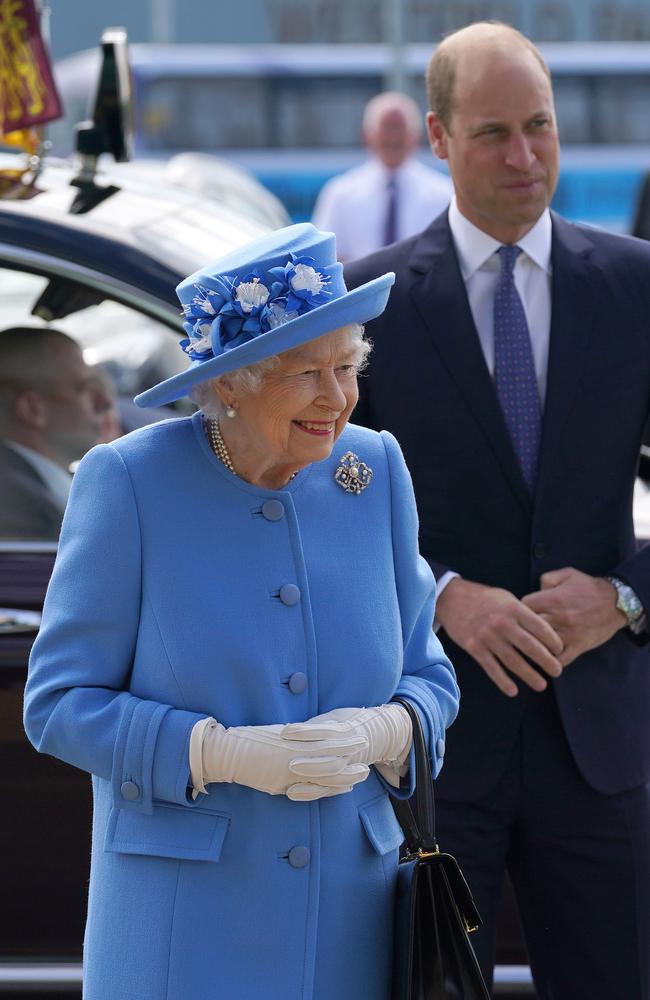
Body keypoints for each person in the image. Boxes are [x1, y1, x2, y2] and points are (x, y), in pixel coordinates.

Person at [23, 223, 459, 1000]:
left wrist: (387, 730)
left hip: (348, 924)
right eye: (307, 374)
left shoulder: (374, 470)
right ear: (232, 383)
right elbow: (56, 705)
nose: (338, 397)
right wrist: (216, 753)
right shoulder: (131, 483)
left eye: (347, 367)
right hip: (186, 927)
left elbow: (430, 676)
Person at [345, 21, 650, 1000]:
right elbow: (325, 508)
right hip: (433, 752)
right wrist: (440, 599)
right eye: (491, 134)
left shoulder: (634, 287)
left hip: (598, 750)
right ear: (436, 136)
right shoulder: (370, 304)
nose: (523, 157)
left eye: (539, 128)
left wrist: (623, 596)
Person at [0, 326, 111, 540]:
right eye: (85, 388)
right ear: (32, 409)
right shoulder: (17, 506)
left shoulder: (27, 485)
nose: (104, 403)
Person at [312, 91, 451, 260]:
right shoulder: (340, 194)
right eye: (386, 128)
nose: (393, 138)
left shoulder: (444, 195)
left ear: (417, 136)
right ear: (367, 135)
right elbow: (323, 258)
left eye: (399, 128)